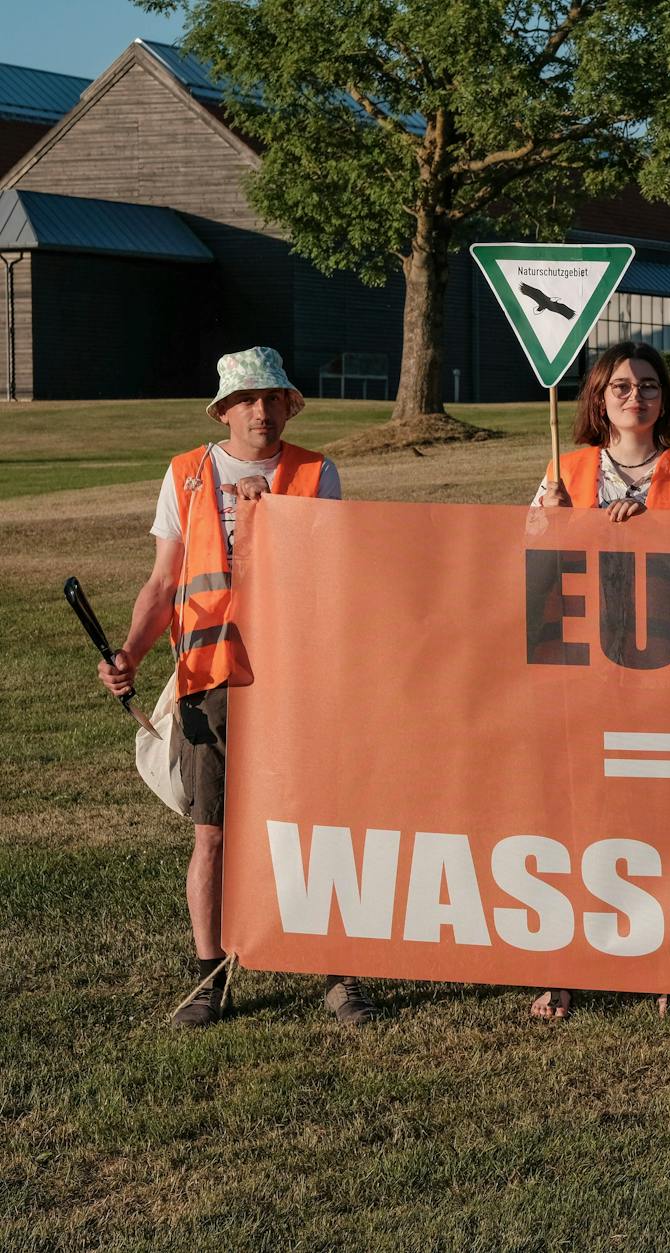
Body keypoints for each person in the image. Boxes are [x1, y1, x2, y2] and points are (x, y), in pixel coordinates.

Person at [97, 347, 381, 1027]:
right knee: (213, 835)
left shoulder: (315, 473)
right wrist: (130, 652)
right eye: (248, 399)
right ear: (224, 410)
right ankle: (210, 979)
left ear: (288, 406)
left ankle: (338, 974)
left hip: (297, 677)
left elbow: (327, 569)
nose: (262, 410)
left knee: (314, 830)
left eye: (273, 397)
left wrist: (270, 514)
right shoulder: (187, 474)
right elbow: (164, 582)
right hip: (211, 678)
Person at [528, 340, 670, 1021]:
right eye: (620, 386)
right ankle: (563, 965)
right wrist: (549, 518)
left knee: (662, 809)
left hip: (664, 665)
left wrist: (657, 529)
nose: (634, 396)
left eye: (647, 385)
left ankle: (669, 962)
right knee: (578, 805)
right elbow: (531, 558)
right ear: (598, 398)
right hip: (581, 661)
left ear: (663, 398)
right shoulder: (566, 469)